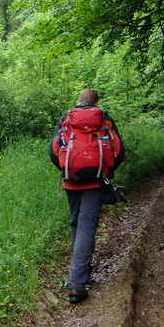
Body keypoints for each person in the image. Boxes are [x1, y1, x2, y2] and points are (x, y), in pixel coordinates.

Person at [49, 88, 125, 304]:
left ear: (78, 101)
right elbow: (119, 151)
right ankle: (77, 283)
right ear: (97, 102)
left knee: (75, 222)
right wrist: (104, 171)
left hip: (70, 180)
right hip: (95, 182)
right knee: (87, 227)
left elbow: (53, 150)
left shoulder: (67, 117)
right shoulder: (104, 118)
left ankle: (78, 270)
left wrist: (67, 170)